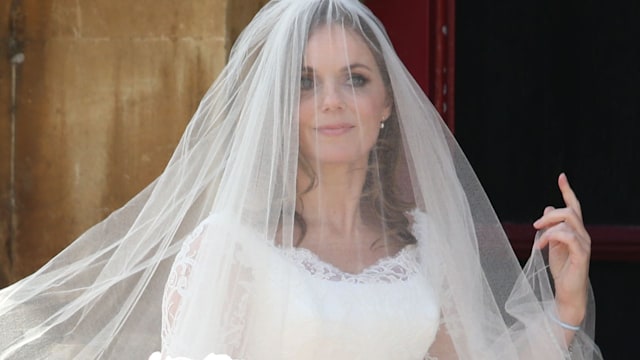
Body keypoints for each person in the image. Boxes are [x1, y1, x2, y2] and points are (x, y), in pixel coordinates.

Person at [0, 0, 601, 359]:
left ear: (388, 101)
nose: (333, 101)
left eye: (356, 79)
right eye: (307, 81)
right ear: (280, 105)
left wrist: (565, 306)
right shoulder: (230, 249)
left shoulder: (425, 244)